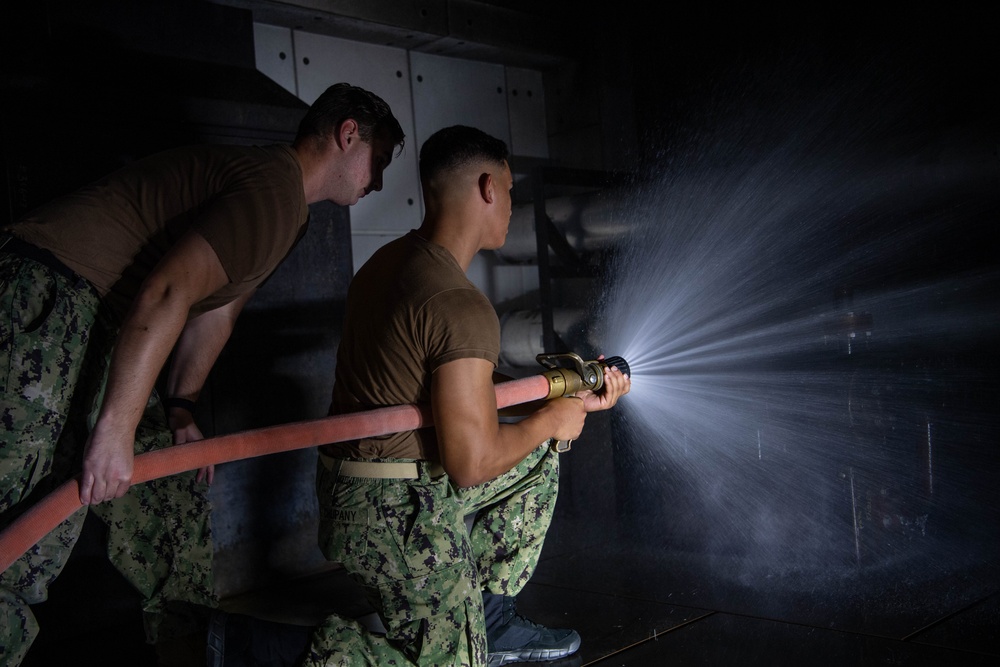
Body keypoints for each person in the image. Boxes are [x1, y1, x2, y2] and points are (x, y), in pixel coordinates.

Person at [0, 82, 405, 666]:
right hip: (46, 297)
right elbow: (166, 293)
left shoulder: (285, 214)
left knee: (119, 514)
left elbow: (217, 310)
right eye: (380, 161)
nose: (379, 183)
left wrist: (181, 410)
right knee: (18, 521)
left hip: (87, 318)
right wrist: (114, 434)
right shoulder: (272, 189)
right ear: (348, 136)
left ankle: (189, 648)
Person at [304, 125, 630, 666]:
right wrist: (551, 421)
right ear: (486, 188)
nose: (510, 206)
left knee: (537, 458)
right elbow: (470, 463)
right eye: (509, 191)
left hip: (350, 491)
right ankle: (268, 650)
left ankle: (491, 621)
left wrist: (565, 409)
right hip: (397, 511)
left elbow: (453, 397)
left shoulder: (385, 265)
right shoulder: (459, 304)